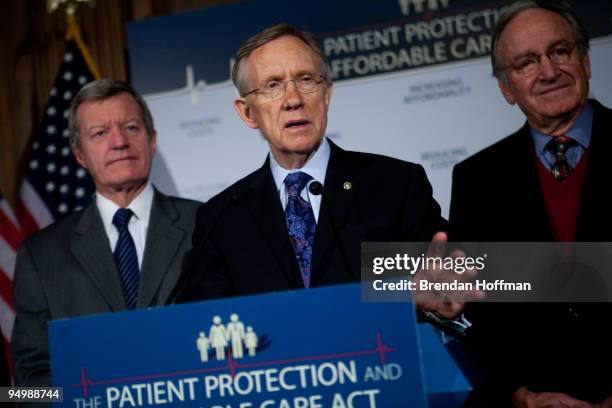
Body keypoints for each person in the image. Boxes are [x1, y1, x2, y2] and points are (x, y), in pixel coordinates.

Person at [173, 23, 447, 302]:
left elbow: (464, 279)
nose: (293, 100)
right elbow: (204, 320)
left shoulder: (395, 185)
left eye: (305, 80)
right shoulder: (222, 218)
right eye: (272, 85)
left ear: (326, 94)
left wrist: (443, 298)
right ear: (247, 113)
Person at [449, 1, 612, 406]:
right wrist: (518, 395)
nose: (548, 71)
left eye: (559, 51)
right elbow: (474, 313)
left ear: (585, 61)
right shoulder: (476, 179)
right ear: (506, 88)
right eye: (525, 62)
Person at [11, 79, 201, 387]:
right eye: (100, 133)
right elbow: (25, 389)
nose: (119, 142)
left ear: (152, 140)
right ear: (80, 155)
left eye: (130, 128)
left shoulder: (206, 224)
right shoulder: (40, 254)